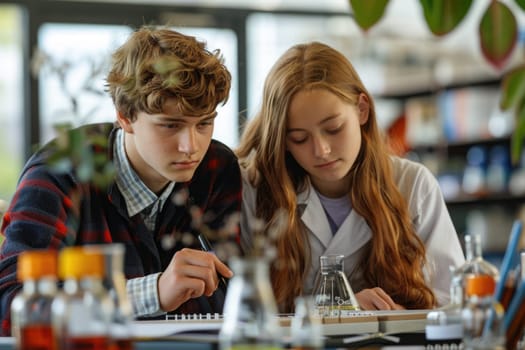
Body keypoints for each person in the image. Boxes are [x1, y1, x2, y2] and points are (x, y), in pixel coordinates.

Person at [0, 26, 242, 335]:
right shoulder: (60, 172)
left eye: (204, 124)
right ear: (124, 117)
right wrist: (152, 293)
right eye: (170, 125)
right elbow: (13, 309)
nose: (190, 146)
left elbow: (228, 298)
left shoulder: (216, 168)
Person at [237, 42, 465, 313]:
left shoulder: (413, 185)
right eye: (299, 138)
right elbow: (244, 307)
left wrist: (386, 316)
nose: (321, 150)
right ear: (282, 140)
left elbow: (452, 305)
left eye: (333, 128)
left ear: (362, 110)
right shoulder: (256, 189)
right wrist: (340, 308)